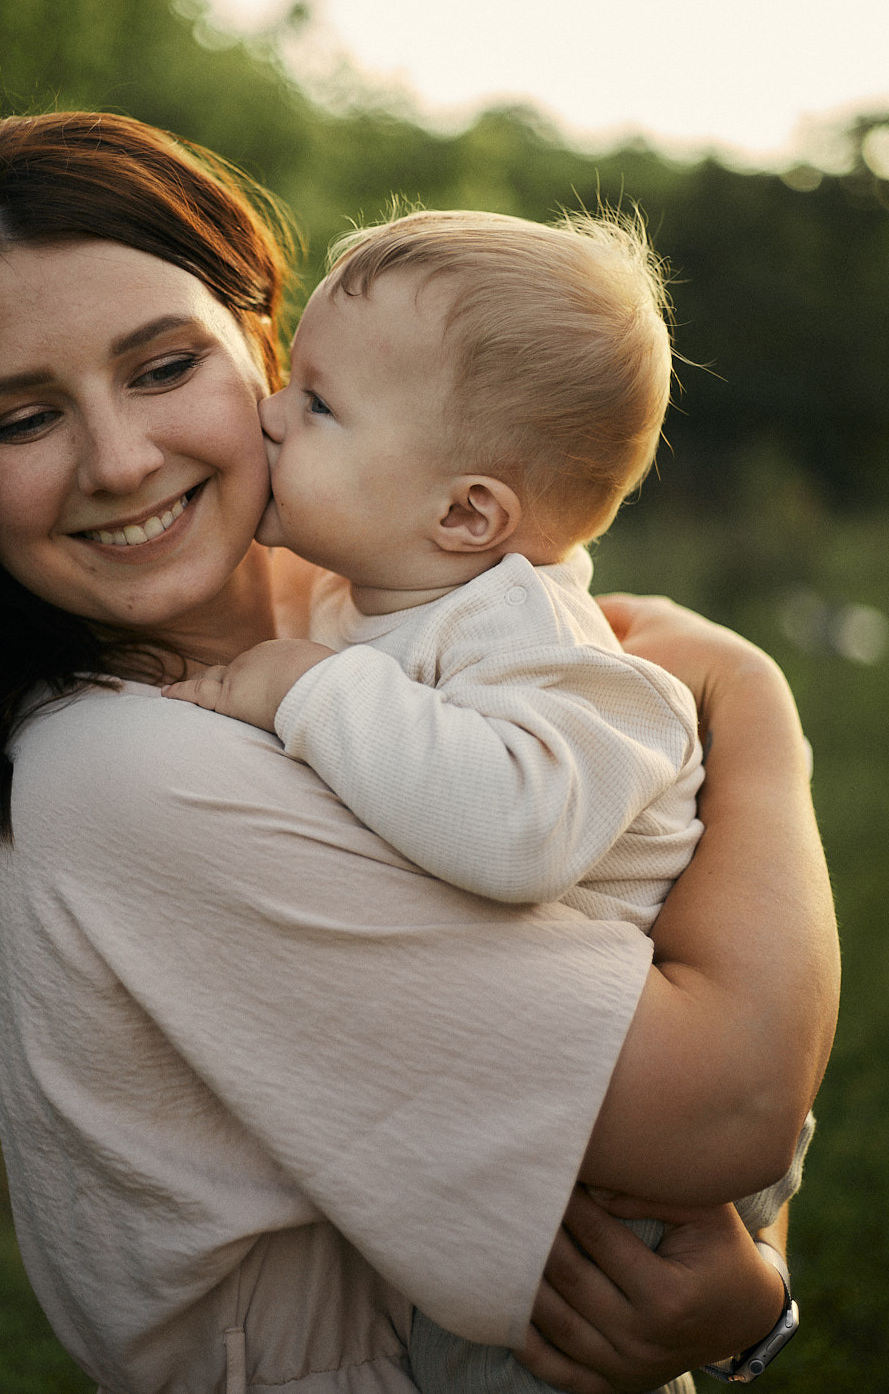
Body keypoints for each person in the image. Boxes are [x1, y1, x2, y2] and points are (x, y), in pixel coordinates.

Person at [0, 111, 838, 1394]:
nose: (121, 458)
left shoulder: (377, 616)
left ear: (266, 348)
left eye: (159, 367)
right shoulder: (120, 776)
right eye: (23, 418)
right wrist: (755, 707)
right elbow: (718, 1111)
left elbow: (645, 955)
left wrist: (743, 1307)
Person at [163, 209, 814, 1392]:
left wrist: (310, 692)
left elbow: (516, 833)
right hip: (537, 1130)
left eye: (315, 403)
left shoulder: (531, 640)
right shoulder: (387, 593)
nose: (266, 412)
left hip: (618, 1192)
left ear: (466, 514)